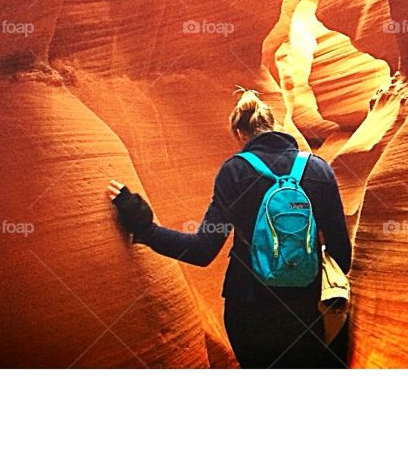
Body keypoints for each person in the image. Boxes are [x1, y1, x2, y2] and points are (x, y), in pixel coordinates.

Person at [107, 89, 352, 368]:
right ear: (275, 126)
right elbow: (341, 257)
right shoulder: (319, 170)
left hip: (248, 311)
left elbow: (202, 250)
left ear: (240, 134)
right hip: (305, 313)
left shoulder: (235, 171)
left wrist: (146, 227)